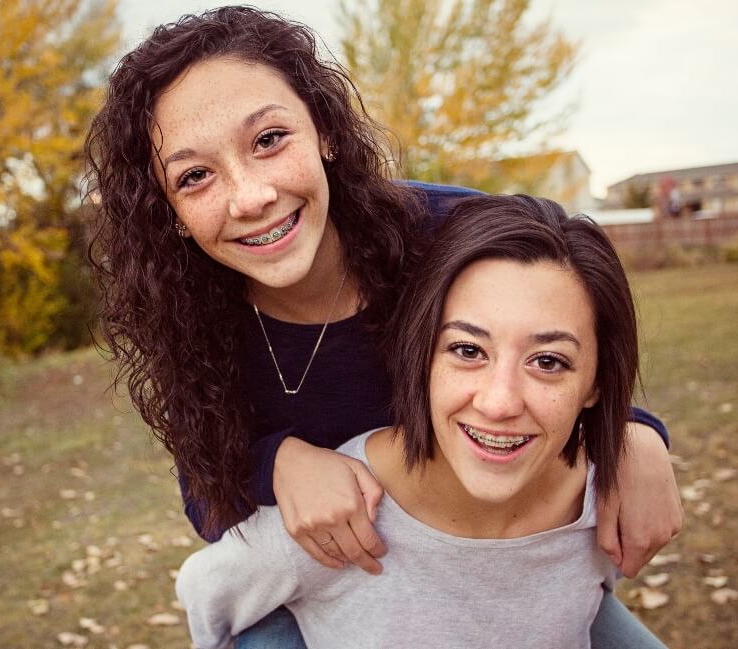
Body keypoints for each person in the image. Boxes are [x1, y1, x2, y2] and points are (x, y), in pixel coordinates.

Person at [83, 6, 681, 646]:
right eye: (195, 176)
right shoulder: (187, 312)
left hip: (483, 554)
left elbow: (565, 332)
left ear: (325, 133)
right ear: (169, 211)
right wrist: (279, 464)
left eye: (268, 140)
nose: (250, 196)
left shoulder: (452, 237)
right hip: (327, 574)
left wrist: (635, 435)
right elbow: (206, 488)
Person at [176, 194, 665, 648]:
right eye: (468, 350)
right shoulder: (338, 518)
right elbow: (208, 594)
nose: (500, 403)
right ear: (421, 359)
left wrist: (639, 434)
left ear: (597, 383)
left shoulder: (608, 506)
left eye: (549, 361)